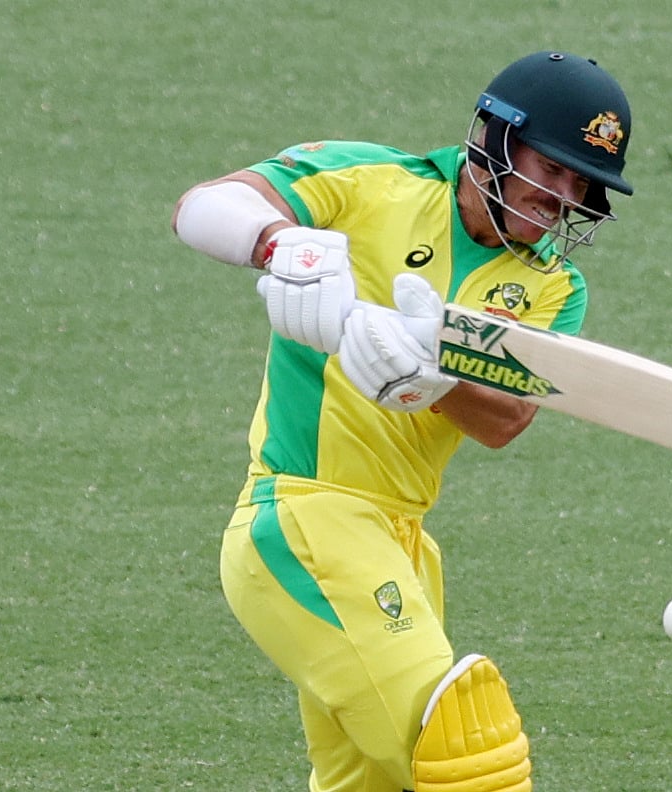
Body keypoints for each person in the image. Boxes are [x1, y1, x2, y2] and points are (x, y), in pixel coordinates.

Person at [171, 50, 634, 792]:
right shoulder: (372, 182)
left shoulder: (552, 287)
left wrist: (432, 376)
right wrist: (280, 243)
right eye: (552, 169)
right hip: (305, 517)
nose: (562, 198)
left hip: (404, 546)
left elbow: (506, 419)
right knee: (467, 760)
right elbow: (200, 206)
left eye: (581, 185)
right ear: (495, 141)